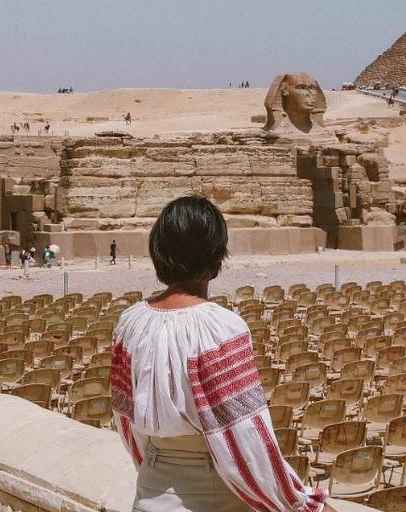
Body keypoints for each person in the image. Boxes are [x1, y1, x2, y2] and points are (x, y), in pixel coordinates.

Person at [110, 196, 328, 512]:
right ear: (216, 253)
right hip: (215, 496)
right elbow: (246, 438)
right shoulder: (220, 329)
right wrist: (302, 505)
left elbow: (127, 422)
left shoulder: (130, 323)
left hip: (150, 490)